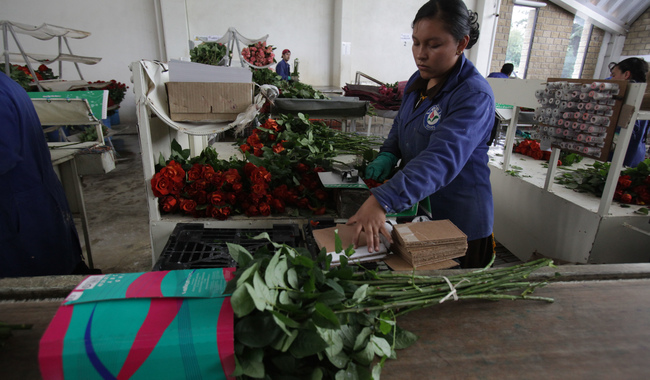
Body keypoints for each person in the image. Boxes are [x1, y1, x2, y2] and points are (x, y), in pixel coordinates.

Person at [347, 0, 495, 268]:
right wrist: (388, 155)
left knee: (453, 303)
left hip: (458, 224)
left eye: (433, 45)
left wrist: (383, 199)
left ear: (461, 44)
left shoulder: (472, 95)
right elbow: (401, 126)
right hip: (420, 212)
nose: (420, 54)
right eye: (416, 42)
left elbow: (441, 159)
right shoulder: (419, 81)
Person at [0, 71, 91, 277]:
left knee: (38, 289)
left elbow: (3, 156)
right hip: (31, 202)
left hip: (18, 213)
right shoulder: (6, 83)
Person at [608, 57, 649, 167]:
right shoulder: (643, 97)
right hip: (636, 156)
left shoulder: (628, 100)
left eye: (614, 75)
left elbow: (624, 132)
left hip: (621, 157)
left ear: (626, 74)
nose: (611, 79)